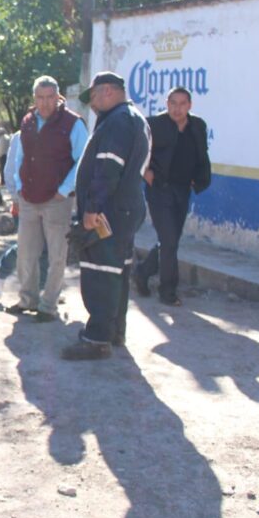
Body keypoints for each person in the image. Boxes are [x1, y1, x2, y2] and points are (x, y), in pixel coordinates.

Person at [63, 71, 151, 360]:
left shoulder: (117, 121)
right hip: (126, 208)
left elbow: (107, 168)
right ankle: (115, 332)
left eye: (94, 97)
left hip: (110, 210)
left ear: (108, 91)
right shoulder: (135, 119)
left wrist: (92, 208)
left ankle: (97, 339)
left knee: (100, 272)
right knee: (117, 272)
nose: (93, 105)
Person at [5, 76, 88, 323]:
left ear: (58, 97)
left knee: (56, 256)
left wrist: (64, 190)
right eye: (40, 97)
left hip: (57, 200)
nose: (45, 103)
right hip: (29, 198)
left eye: (50, 97)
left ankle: (48, 306)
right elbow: (20, 157)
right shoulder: (28, 122)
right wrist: (19, 188)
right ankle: (27, 300)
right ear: (35, 98)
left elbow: (82, 161)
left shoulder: (73, 124)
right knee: (26, 254)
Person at [133, 87, 211, 306]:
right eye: (173, 103)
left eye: (182, 104)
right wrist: (146, 172)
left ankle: (142, 272)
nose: (177, 109)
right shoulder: (154, 125)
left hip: (183, 189)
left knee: (171, 240)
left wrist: (199, 178)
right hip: (159, 189)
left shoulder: (197, 126)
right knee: (169, 241)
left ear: (190, 105)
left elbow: (202, 154)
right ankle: (167, 292)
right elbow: (137, 150)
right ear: (167, 104)